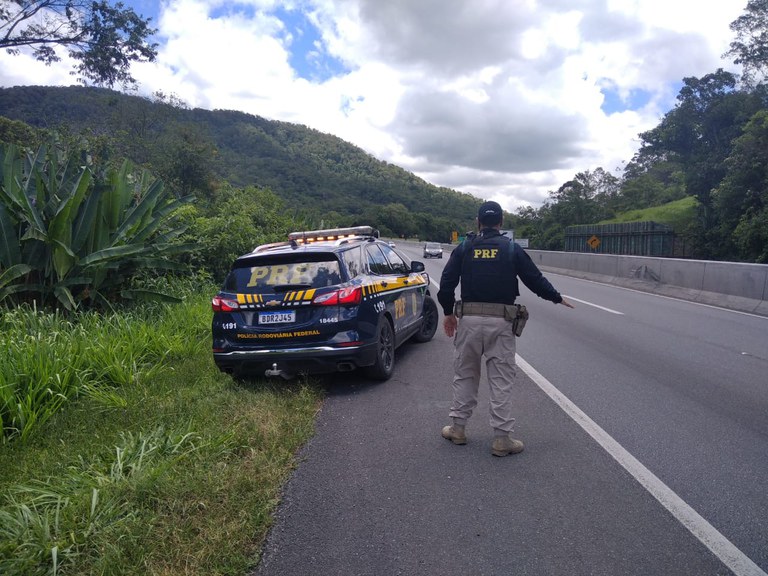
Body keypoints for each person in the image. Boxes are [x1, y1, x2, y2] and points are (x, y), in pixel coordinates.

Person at [437, 200, 574, 457]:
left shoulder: (465, 247)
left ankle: (457, 429)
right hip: (501, 322)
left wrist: (448, 313)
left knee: (465, 375)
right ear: (500, 223)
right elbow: (535, 280)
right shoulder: (511, 249)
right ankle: (501, 439)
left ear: (478, 223)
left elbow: (446, 284)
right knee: (501, 379)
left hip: (468, 320)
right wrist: (556, 297)